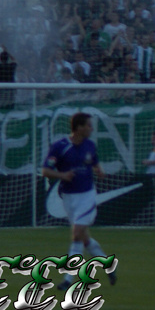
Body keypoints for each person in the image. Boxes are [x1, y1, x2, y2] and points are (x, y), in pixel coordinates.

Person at [41, 112, 114, 289]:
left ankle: (68, 279)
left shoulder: (90, 145)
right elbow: (45, 171)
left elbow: (95, 163)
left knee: (76, 235)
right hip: (68, 198)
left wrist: (99, 170)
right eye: (89, 125)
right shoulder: (60, 147)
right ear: (79, 128)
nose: (92, 128)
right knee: (84, 238)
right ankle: (108, 265)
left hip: (87, 196)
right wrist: (62, 175)